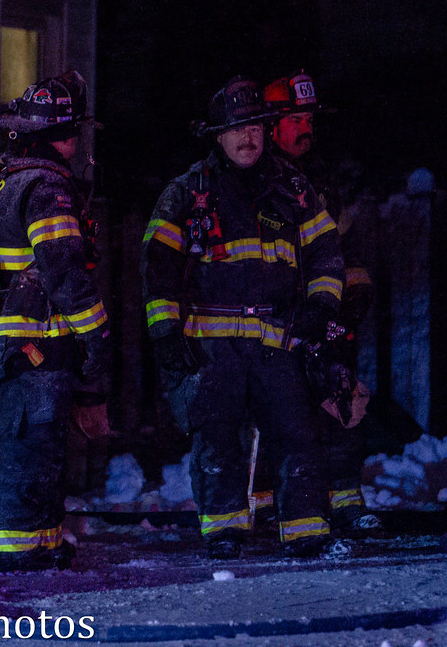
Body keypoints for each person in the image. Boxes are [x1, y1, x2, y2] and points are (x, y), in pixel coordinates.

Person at [140, 75, 348, 560]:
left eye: (255, 126)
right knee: (217, 438)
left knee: (296, 433)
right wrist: (166, 332)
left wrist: (322, 307)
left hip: (280, 340)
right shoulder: (186, 193)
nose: (248, 137)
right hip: (212, 346)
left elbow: (326, 255)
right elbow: (158, 268)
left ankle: (305, 532)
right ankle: (224, 531)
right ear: (218, 136)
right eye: (237, 129)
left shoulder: (295, 189)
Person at [0, 70, 111, 572]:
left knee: (43, 445)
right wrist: (96, 332)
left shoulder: (10, 179)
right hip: (32, 341)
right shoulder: (48, 188)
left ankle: (43, 541)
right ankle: (13, 552)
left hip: (18, 340)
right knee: (28, 448)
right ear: (68, 136)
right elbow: (65, 272)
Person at [259, 70, 380, 533]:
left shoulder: (321, 181)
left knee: (341, 394)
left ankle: (345, 496)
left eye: (310, 118)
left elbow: (344, 250)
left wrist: (349, 302)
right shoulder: (254, 182)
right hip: (275, 319)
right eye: (295, 119)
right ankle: (270, 502)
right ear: (270, 124)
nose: (306, 127)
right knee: (274, 409)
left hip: (324, 313)